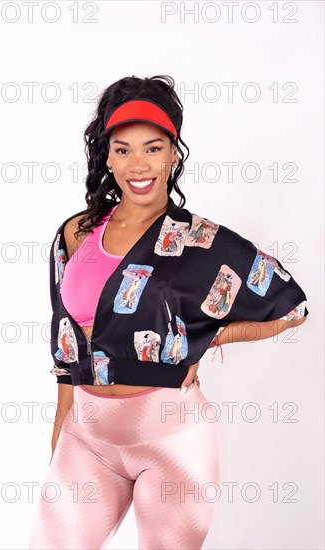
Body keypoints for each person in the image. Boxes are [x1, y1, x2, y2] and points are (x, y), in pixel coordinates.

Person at [29, 75, 308, 549]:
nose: (138, 164)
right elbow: (64, 343)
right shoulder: (76, 234)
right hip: (88, 438)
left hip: (172, 438)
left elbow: (292, 306)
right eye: (122, 150)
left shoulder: (202, 241)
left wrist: (214, 338)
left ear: (174, 152)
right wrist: (61, 425)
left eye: (153, 148)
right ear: (107, 156)